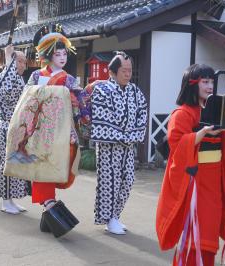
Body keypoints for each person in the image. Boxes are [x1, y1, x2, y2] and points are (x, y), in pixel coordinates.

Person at [5, 24, 90, 237]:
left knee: (61, 162)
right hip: (39, 130)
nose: (62, 57)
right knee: (41, 165)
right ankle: (50, 204)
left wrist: (82, 109)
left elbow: (80, 101)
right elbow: (27, 100)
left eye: (64, 53)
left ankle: (47, 213)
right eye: (57, 53)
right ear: (48, 55)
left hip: (62, 130)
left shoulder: (69, 79)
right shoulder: (36, 76)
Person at [156, 64, 225, 266]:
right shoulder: (182, 113)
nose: (209, 86)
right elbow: (177, 145)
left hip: (214, 182)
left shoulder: (216, 111)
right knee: (196, 235)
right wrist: (202, 134)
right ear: (192, 85)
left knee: (210, 233)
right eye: (205, 82)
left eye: (211, 81)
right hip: (195, 183)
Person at [91, 51, 147, 235]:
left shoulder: (135, 91)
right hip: (109, 147)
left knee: (128, 180)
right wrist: (125, 136)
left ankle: (116, 215)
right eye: (124, 70)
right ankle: (109, 219)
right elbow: (102, 120)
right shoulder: (102, 90)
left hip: (128, 147)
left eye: (130, 70)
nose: (128, 74)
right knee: (110, 182)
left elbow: (142, 115)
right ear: (112, 72)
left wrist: (132, 136)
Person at [0, 44, 31, 214]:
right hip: (7, 125)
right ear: (11, 61)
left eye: (24, 62)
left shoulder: (19, 78)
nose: (23, 65)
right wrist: (9, 61)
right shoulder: (4, 76)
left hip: (17, 126)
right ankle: (5, 201)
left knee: (16, 163)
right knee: (6, 163)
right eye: (20, 61)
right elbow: (7, 92)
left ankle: (11, 199)